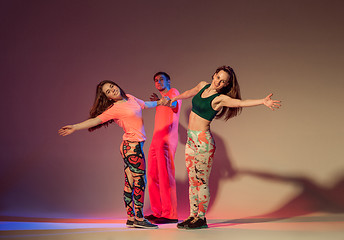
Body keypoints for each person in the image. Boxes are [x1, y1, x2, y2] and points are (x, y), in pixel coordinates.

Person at [170, 66, 281, 229]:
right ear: (213, 75)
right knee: (192, 182)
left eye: (223, 81)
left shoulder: (220, 99)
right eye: (217, 77)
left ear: (226, 85)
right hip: (191, 140)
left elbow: (240, 102)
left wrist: (262, 101)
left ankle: (201, 218)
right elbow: (189, 92)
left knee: (201, 182)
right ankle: (192, 215)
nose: (218, 82)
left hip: (203, 142)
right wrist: (174, 98)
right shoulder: (202, 86)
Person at [58, 80, 169, 229]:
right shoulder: (114, 108)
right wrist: (75, 127)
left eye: (112, 87)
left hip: (131, 146)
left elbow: (145, 104)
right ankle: (139, 218)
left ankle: (131, 218)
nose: (112, 90)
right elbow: (96, 120)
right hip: (132, 148)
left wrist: (160, 102)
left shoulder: (130, 97)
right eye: (108, 92)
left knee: (130, 182)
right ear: (108, 97)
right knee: (139, 182)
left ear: (116, 85)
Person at [145, 72, 181, 224]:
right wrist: (159, 102)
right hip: (155, 140)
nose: (158, 82)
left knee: (165, 176)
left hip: (166, 141)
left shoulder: (173, 93)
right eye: (156, 80)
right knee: (152, 176)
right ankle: (158, 211)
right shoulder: (160, 102)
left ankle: (170, 214)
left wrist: (162, 101)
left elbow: (173, 104)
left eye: (161, 79)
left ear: (169, 81)